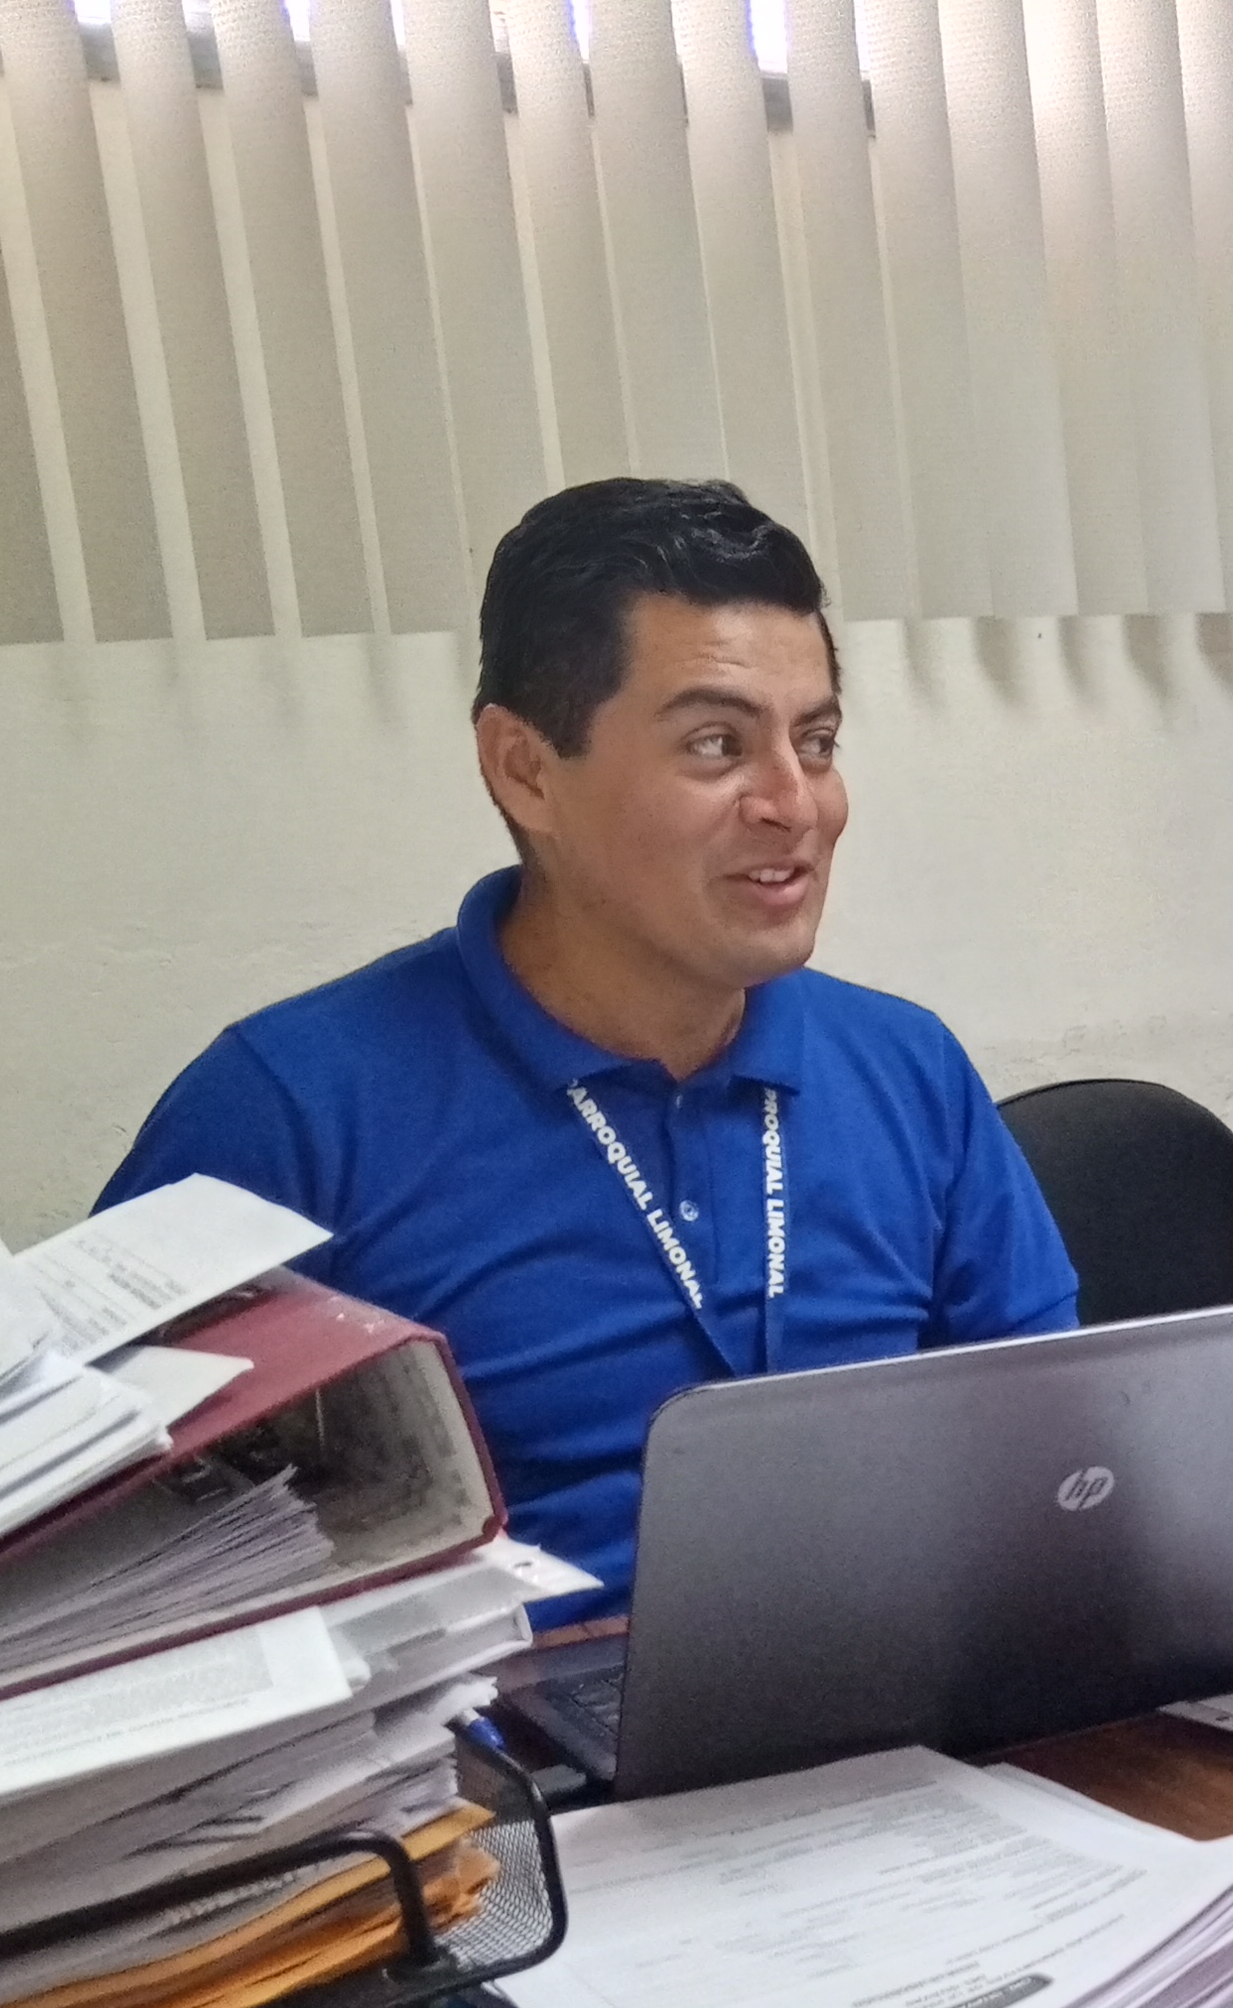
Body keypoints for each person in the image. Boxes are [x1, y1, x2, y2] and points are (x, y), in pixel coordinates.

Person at [104, 478, 1079, 1612]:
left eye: (815, 742)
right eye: (716, 744)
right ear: (525, 769)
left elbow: (1053, 1466)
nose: (795, 804)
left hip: (902, 1687)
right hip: (516, 1716)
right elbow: (109, 1575)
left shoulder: (906, 1069)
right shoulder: (289, 1112)